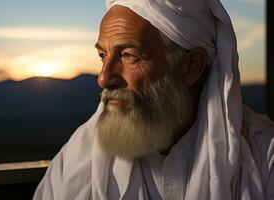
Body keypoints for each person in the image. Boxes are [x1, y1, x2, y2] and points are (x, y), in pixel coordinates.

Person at [33, 0, 274, 199]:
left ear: (190, 66)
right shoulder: (75, 161)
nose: (104, 77)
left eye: (129, 55)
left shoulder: (263, 157)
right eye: (102, 55)